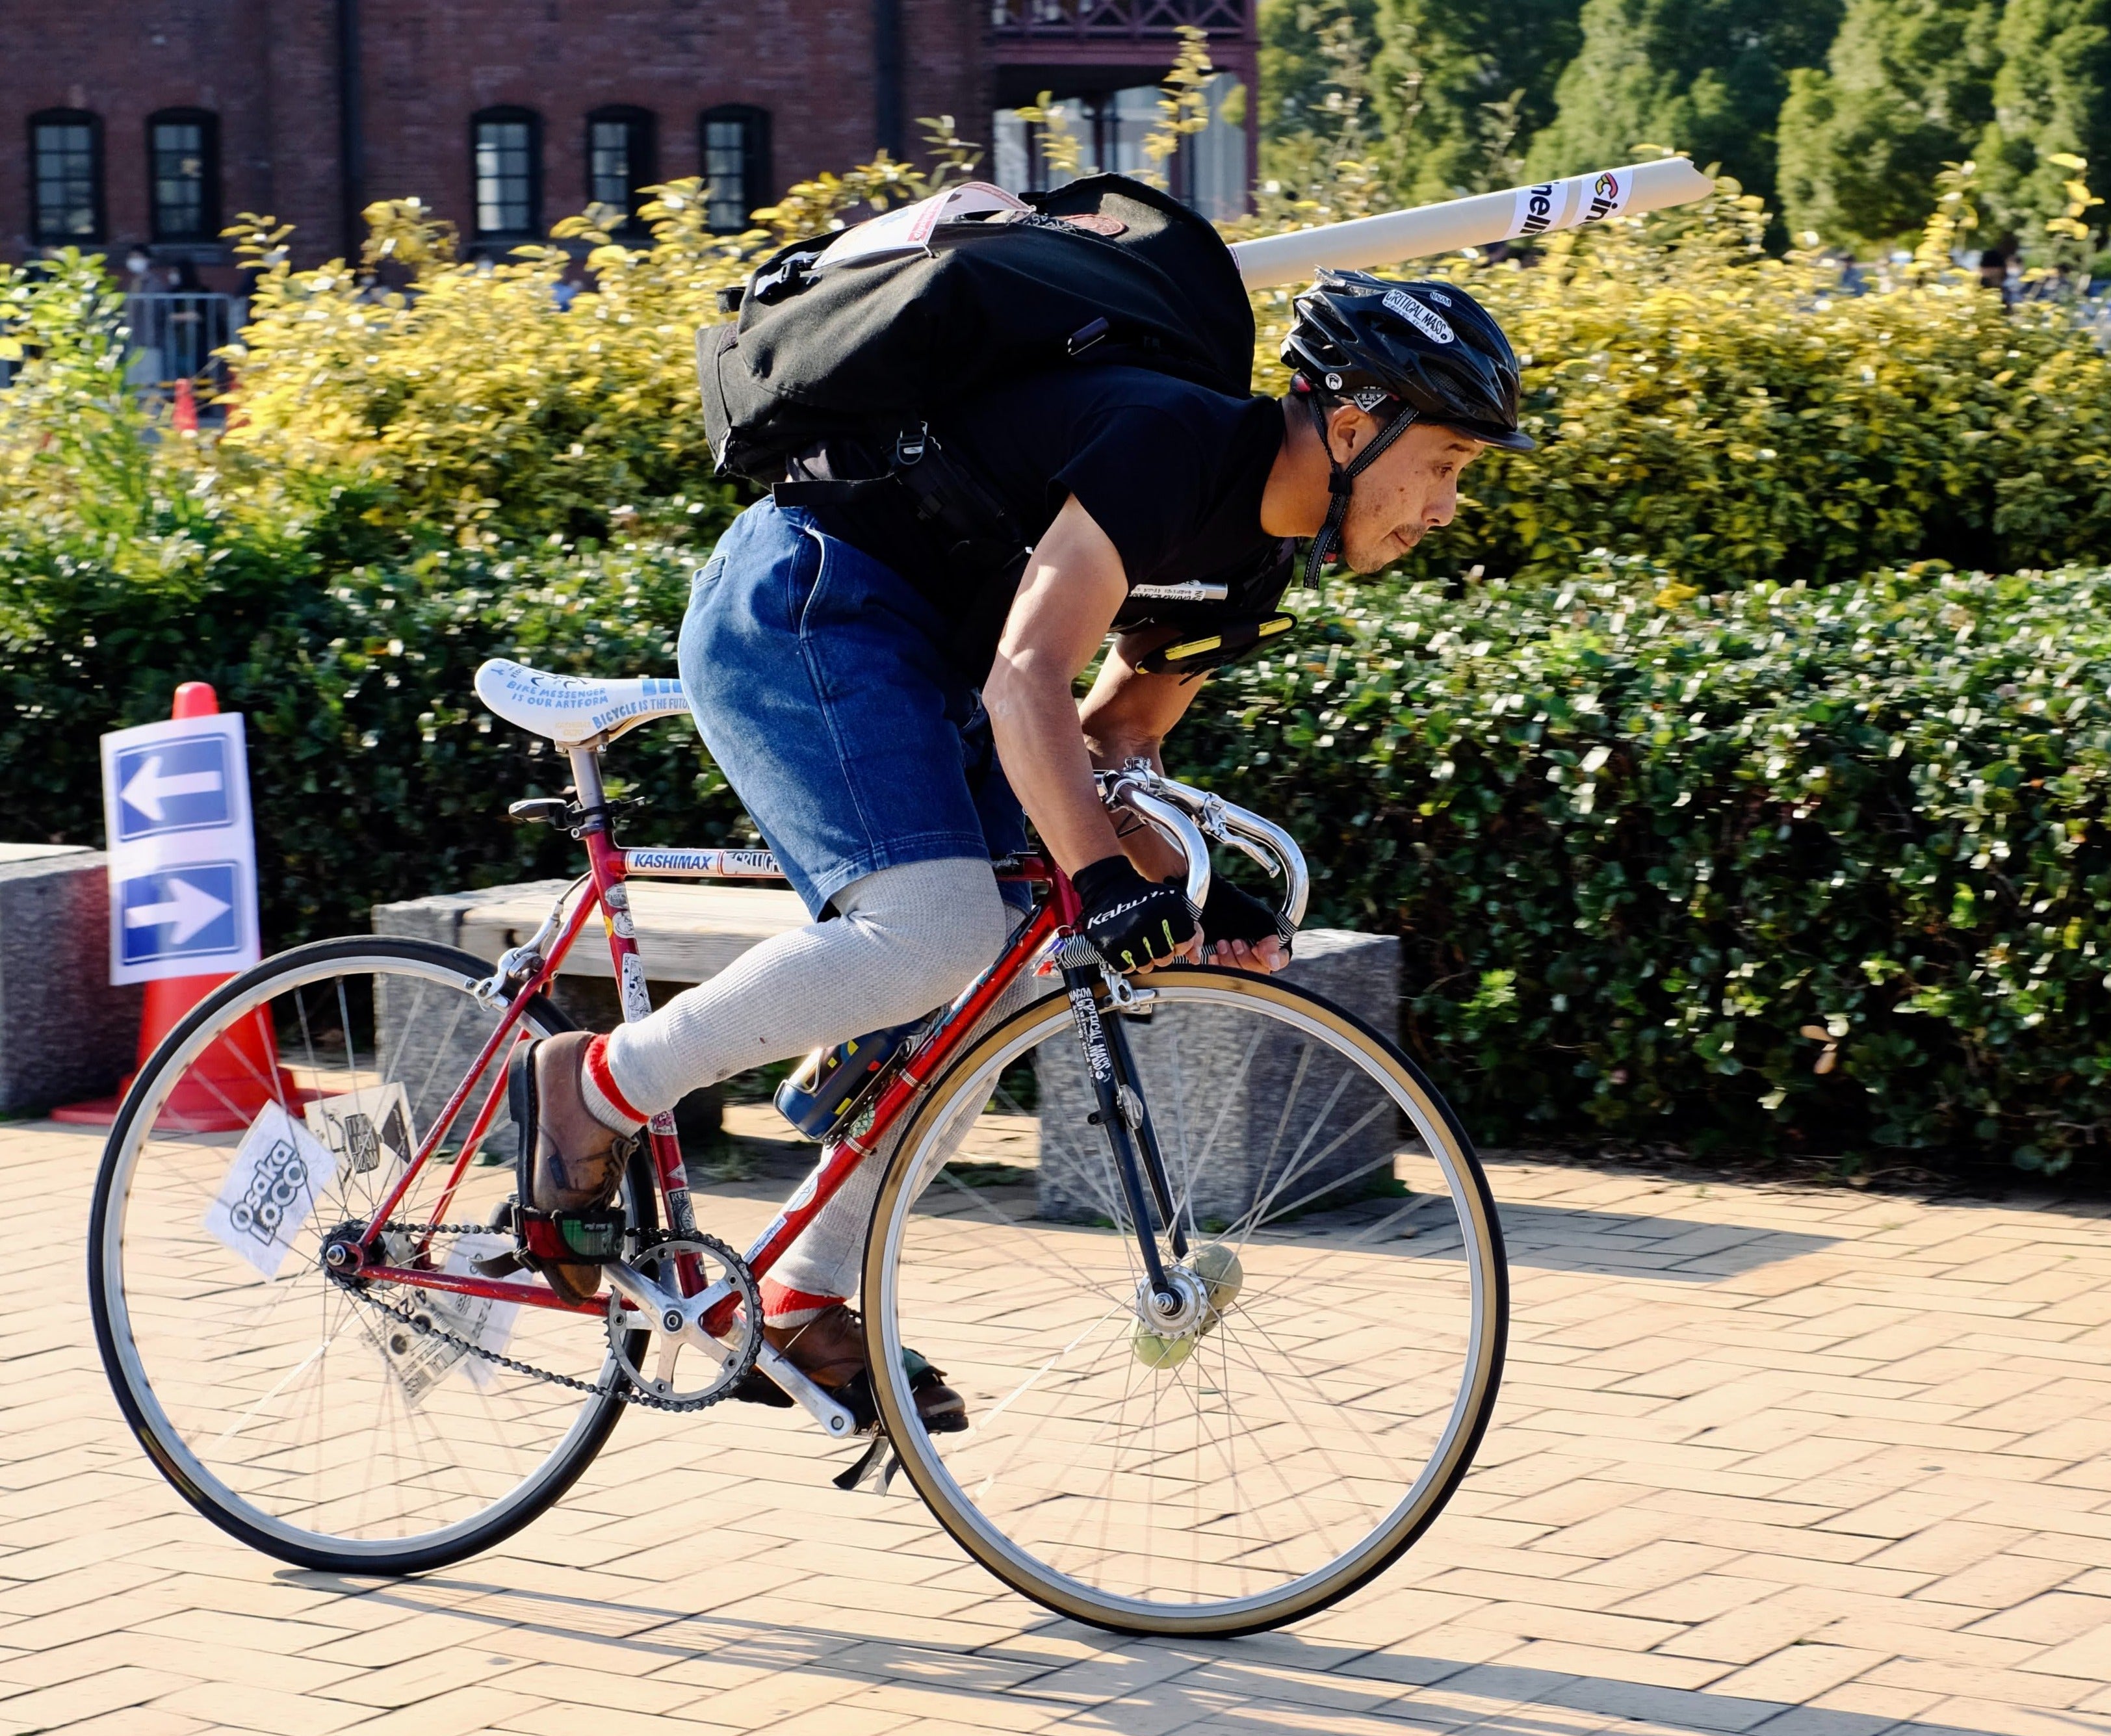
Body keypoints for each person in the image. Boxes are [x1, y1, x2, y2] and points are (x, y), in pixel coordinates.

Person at [508, 268, 1532, 1426]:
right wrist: (1102, 875)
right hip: (812, 603)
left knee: (1014, 976)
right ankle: (594, 1085)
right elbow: (1031, 677)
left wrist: (1198, 891)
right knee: (937, 933)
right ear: (1353, 426)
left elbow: (1114, 741)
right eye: (1443, 464)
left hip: (936, 668)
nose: (1446, 505)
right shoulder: (1173, 443)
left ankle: (797, 1297)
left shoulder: (1255, 569)